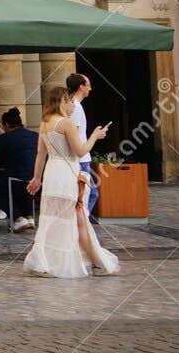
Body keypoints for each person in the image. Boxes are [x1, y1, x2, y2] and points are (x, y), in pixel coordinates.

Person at [24, 86, 118, 278]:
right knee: (76, 219)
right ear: (62, 102)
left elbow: (41, 154)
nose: (73, 105)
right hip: (67, 173)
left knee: (53, 219)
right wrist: (95, 136)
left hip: (52, 173)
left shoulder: (45, 123)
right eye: (70, 101)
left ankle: (45, 261)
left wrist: (37, 178)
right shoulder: (66, 124)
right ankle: (94, 262)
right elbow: (81, 151)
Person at [0, 107, 38, 231]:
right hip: (36, 178)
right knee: (24, 187)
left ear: (6, 125)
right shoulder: (35, 135)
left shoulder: (4, 138)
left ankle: (18, 219)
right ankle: (29, 217)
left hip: (16, 178)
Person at [65, 72, 106, 220]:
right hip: (80, 159)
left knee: (89, 194)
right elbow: (73, 136)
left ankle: (80, 225)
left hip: (81, 158)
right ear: (81, 87)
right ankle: (79, 226)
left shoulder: (75, 106)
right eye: (88, 85)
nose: (90, 88)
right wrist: (95, 136)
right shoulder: (75, 108)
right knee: (88, 195)